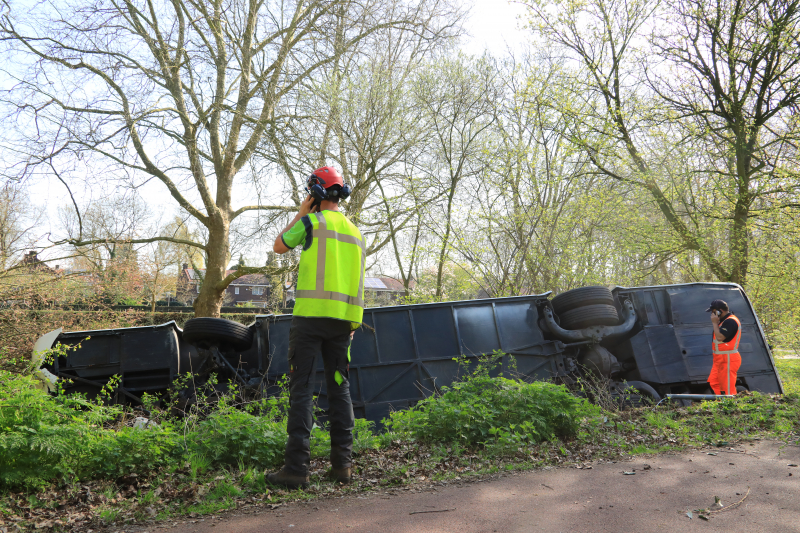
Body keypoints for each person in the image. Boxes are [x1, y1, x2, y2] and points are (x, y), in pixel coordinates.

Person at [267, 166, 365, 489]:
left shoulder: (309, 222)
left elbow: (279, 246)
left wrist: (299, 213)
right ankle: (343, 467)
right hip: (342, 325)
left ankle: (296, 470)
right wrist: (353, 323)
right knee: (340, 390)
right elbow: (358, 283)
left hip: (309, 322)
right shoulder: (355, 233)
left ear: (316, 194)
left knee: (302, 391)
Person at [706, 299, 741, 396]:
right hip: (720, 359)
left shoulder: (730, 321)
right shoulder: (723, 321)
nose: (712, 314)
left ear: (719, 310)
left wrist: (714, 323)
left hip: (728, 358)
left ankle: (732, 407)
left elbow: (720, 337)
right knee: (713, 383)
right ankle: (721, 404)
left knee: (727, 388)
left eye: (713, 311)